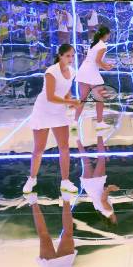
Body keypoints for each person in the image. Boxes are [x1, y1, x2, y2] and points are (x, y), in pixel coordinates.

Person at [23, 44, 80, 195]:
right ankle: (32, 178)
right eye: (68, 56)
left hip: (59, 112)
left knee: (64, 147)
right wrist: (70, 102)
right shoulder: (51, 72)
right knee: (39, 149)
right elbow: (50, 96)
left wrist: (70, 101)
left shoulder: (72, 72)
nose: (71, 59)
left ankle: (66, 181)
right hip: (43, 110)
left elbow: (66, 91)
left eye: (72, 56)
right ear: (60, 56)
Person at [74, 27, 114, 132]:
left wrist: (105, 65)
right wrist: (107, 67)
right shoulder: (102, 46)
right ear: (105, 35)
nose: (109, 37)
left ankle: (74, 122)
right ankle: (100, 123)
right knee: (100, 99)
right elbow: (97, 61)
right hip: (91, 73)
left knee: (83, 98)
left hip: (83, 71)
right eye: (109, 35)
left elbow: (93, 60)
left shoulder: (94, 43)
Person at [76, 136, 119, 224]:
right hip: (88, 186)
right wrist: (107, 189)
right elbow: (100, 197)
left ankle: (99, 132)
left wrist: (110, 189)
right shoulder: (100, 211)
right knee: (85, 160)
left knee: (102, 158)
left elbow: (103, 200)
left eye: (116, 221)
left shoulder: (109, 212)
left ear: (112, 220)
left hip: (96, 183)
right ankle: (76, 137)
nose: (117, 219)